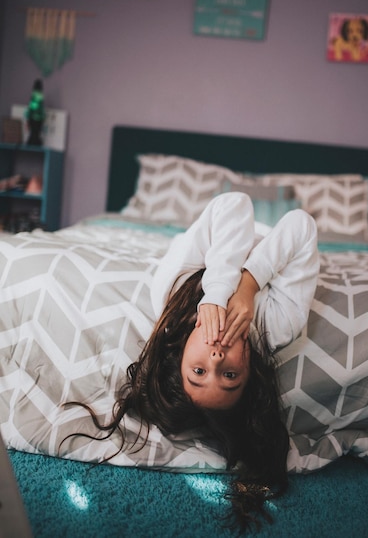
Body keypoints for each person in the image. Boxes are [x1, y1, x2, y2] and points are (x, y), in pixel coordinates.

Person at [66, 192, 319, 531]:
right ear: (250, 369)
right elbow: (300, 225)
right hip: (272, 241)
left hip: (236, 230)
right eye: (229, 374)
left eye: (199, 371)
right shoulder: (275, 326)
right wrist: (249, 285)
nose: (216, 357)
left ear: (179, 356)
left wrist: (216, 293)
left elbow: (235, 204)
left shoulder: (170, 295)